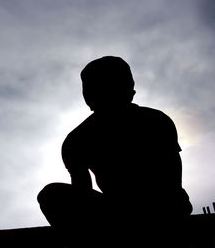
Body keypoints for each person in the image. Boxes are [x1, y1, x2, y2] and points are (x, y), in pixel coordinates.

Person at [37, 56, 192, 248]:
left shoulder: (155, 120)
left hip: (163, 209)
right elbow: (81, 194)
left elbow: (171, 176)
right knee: (51, 194)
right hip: (116, 214)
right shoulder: (76, 140)